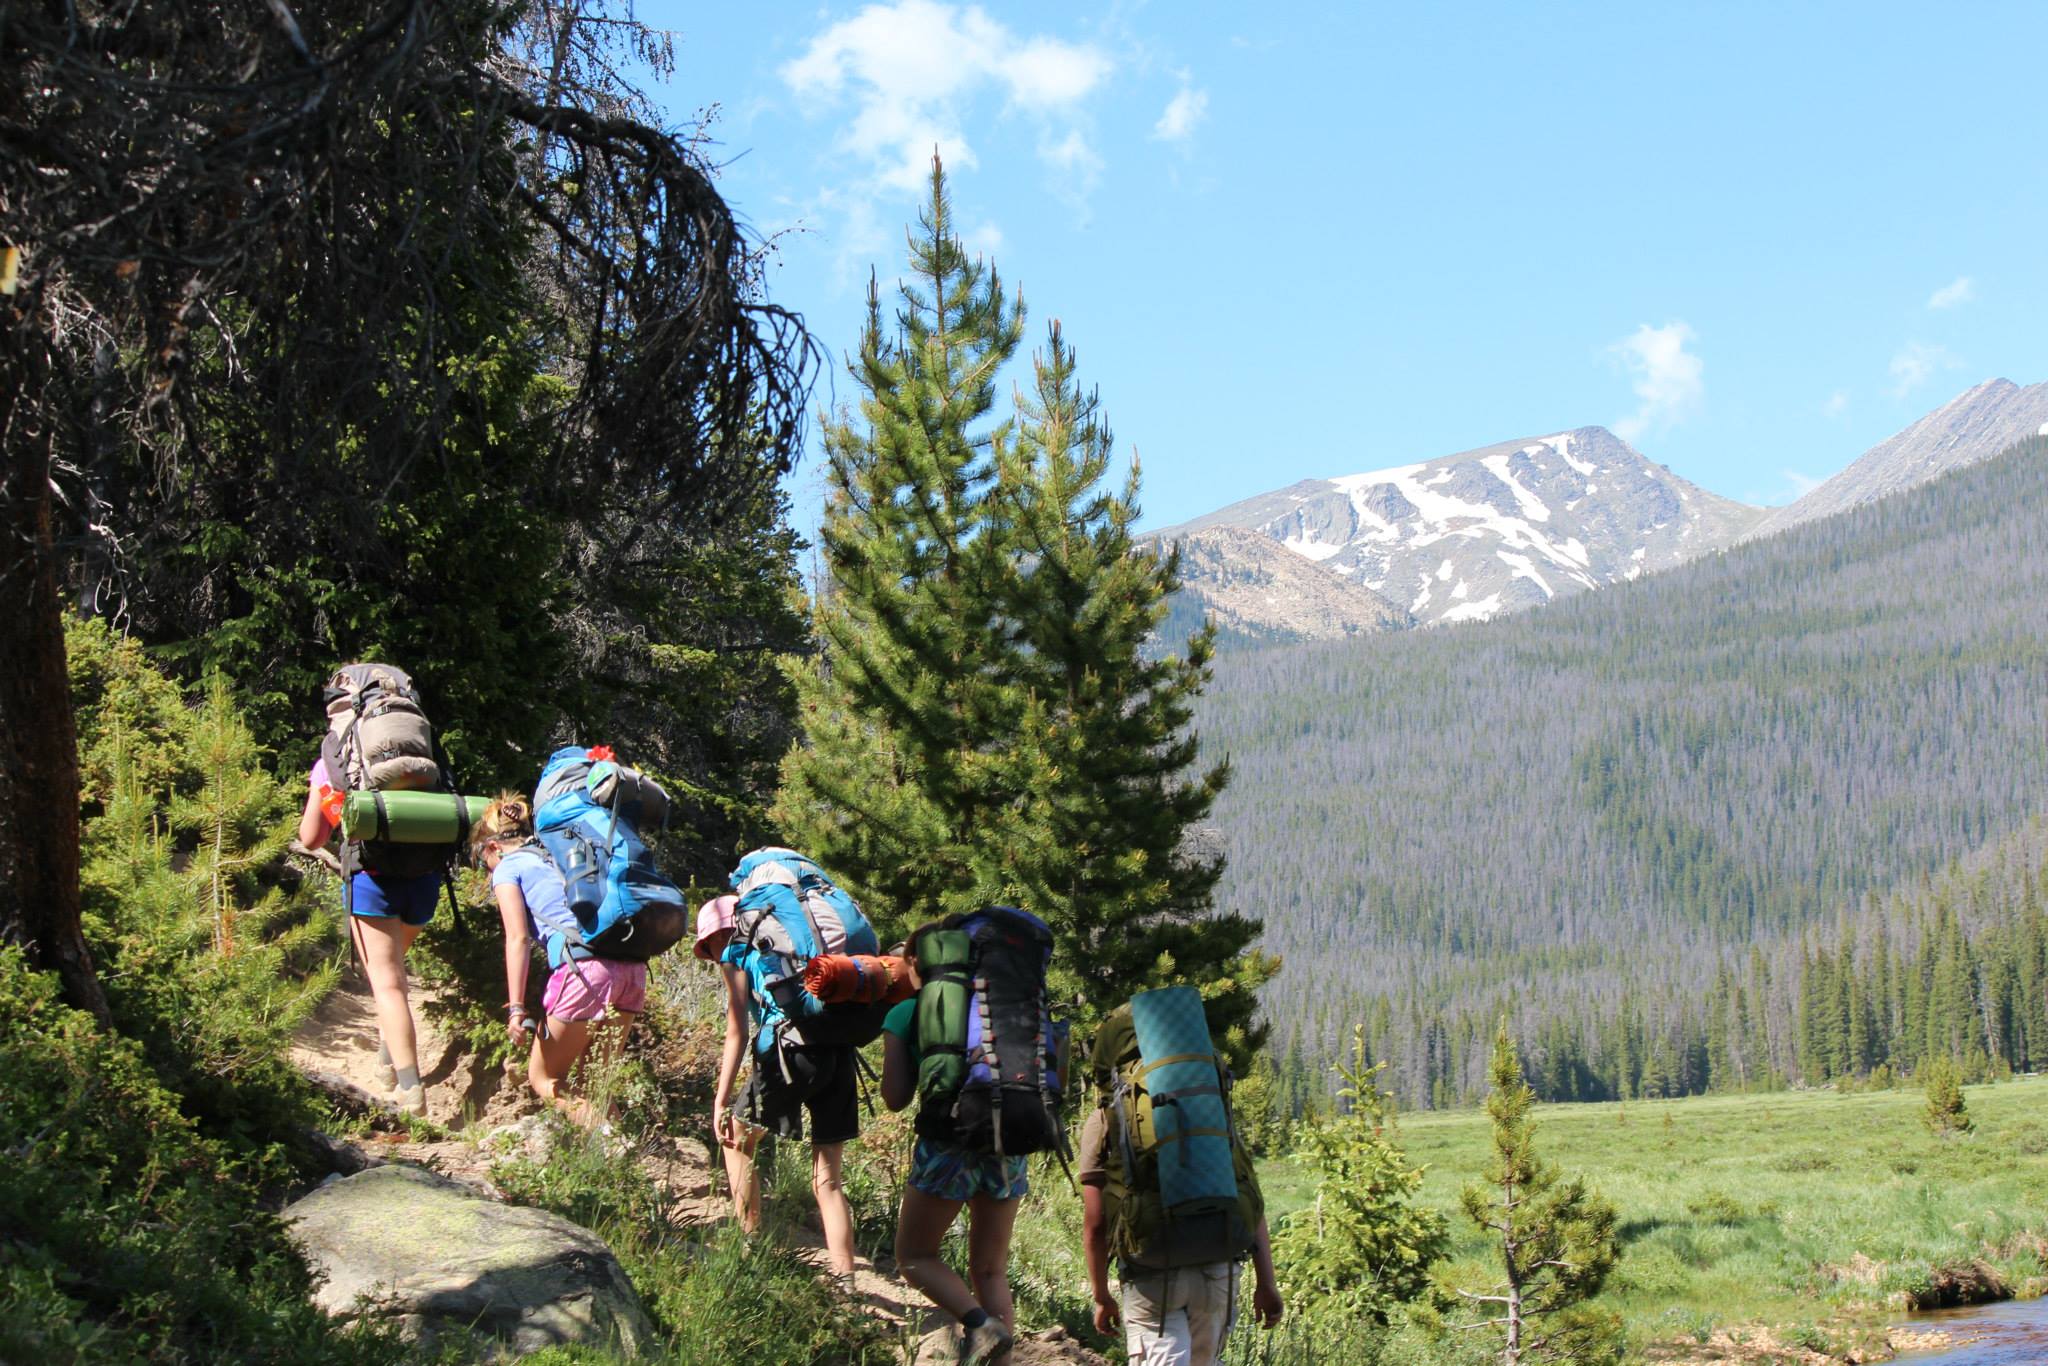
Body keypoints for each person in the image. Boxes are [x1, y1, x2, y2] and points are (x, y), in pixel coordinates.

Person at [1078, 1002, 1283, 1366]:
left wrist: (1100, 1295)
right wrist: (1267, 1283)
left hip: (1150, 1271)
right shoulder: (1209, 1103)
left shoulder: (1106, 1118)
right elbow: (1248, 1191)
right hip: (1217, 1262)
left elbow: (1095, 1224)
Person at [879, 925, 1037, 1366]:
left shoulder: (907, 1013)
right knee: (990, 1270)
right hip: (1009, 1140)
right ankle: (998, 1354)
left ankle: (978, 1323)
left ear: (917, 961)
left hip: (947, 1144)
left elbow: (894, 1099)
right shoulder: (1002, 1009)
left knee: (914, 1256)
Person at [698, 894, 859, 1279]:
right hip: (839, 1051)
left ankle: (749, 1246)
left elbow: (736, 1032)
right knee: (829, 1179)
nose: (713, 952)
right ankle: (846, 1280)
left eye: (709, 944)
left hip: (791, 1053)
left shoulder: (735, 954)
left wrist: (721, 1101)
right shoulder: (792, 948)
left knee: (735, 1138)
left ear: (722, 933)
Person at [470, 794, 645, 1126]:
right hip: (631, 968)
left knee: (545, 1078)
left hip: (584, 971)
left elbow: (517, 938)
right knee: (594, 1088)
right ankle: (624, 1168)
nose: (485, 871)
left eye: (482, 862)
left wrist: (517, 1008)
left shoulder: (508, 868)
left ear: (492, 847)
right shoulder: (561, 855)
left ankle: (612, 1151)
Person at [298, 754, 440, 1115]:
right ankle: (386, 1052)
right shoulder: (418, 750)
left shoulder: (331, 761)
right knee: (395, 972)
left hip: (372, 880)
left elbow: (312, 838)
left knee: (388, 984)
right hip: (424, 880)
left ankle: (410, 1089)